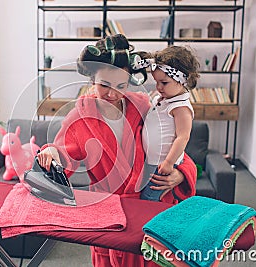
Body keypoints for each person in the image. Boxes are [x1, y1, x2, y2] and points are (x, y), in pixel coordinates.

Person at [37, 34, 197, 267]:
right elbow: (64, 152)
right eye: (104, 85)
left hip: (152, 208)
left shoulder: (142, 106)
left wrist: (181, 172)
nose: (112, 94)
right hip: (108, 213)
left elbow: (170, 144)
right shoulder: (79, 116)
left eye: (121, 86)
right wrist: (51, 152)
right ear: (92, 78)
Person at [132, 45, 200, 201]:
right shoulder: (162, 98)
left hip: (163, 164)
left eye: (164, 82)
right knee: (144, 197)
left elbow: (182, 137)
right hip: (151, 161)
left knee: (149, 200)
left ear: (183, 80)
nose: (158, 87)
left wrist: (169, 162)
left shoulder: (181, 107)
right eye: (156, 81)